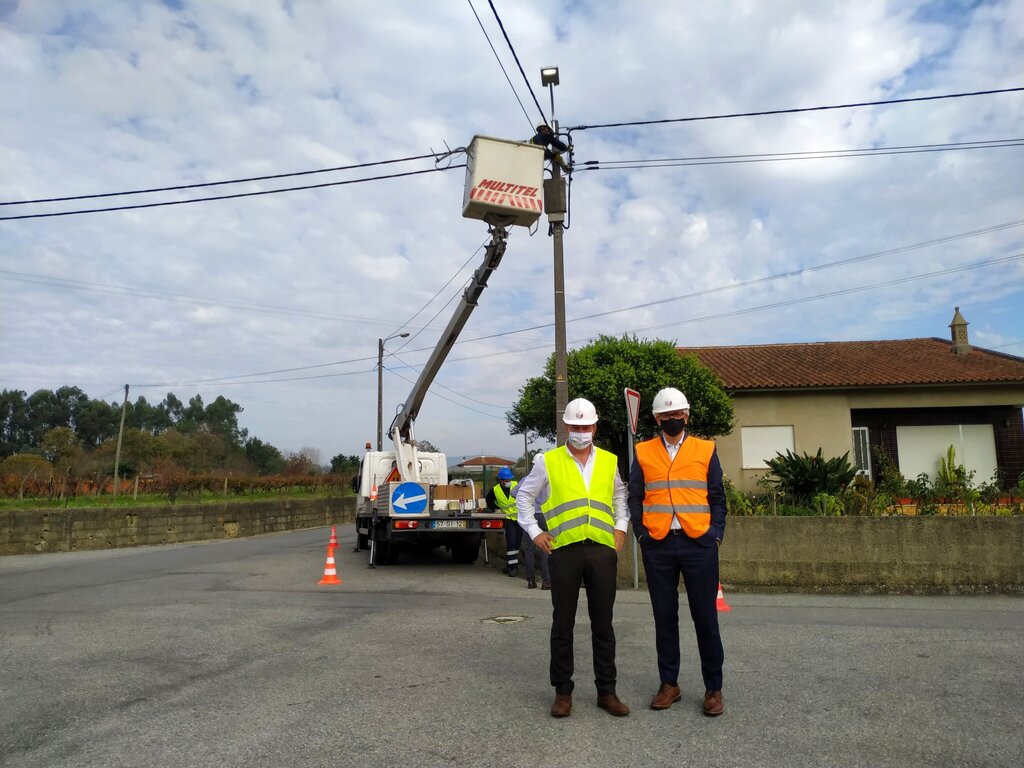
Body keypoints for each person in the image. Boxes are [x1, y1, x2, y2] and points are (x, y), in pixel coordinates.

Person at [516, 397, 631, 718]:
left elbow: (620, 494)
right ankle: (562, 692)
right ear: (567, 427)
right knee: (562, 624)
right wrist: (534, 532)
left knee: (603, 624)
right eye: (575, 426)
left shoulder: (609, 460)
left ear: (595, 427)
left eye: (586, 426)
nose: (581, 431)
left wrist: (620, 528)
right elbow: (524, 496)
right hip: (563, 550)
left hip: (601, 550)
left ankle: (607, 692)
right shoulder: (547, 461)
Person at [628, 387, 727, 717]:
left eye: (678, 414)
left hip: (698, 544)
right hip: (658, 544)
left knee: (705, 617)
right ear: (657, 418)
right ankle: (669, 684)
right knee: (664, 618)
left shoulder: (705, 449)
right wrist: (641, 535)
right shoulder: (642, 452)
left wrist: (716, 535)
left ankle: (714, 688)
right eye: (667, 416)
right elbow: (635, 497)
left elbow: (717, 497)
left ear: (687, 414)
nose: (673, 420)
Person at [512, 481, 550, 589]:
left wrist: (526, 500)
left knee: (529, 549)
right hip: (545, 515)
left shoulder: (527, 479)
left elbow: (513, 492)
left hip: (530, 515)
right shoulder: (548, 477)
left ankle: (531, 581)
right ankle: (546, 581)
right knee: (545, 548)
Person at [486, 467, 520, 577]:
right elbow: (489, 500)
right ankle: (512, 568)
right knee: (511, 542)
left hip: (520, 519)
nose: (508, 482)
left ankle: (512, 563)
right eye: (506, 480)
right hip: (508, 519)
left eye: (509, 480)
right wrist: (495, 508)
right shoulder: (495, 490)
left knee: (517, 542)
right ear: (500, 480)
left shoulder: (517, 485)